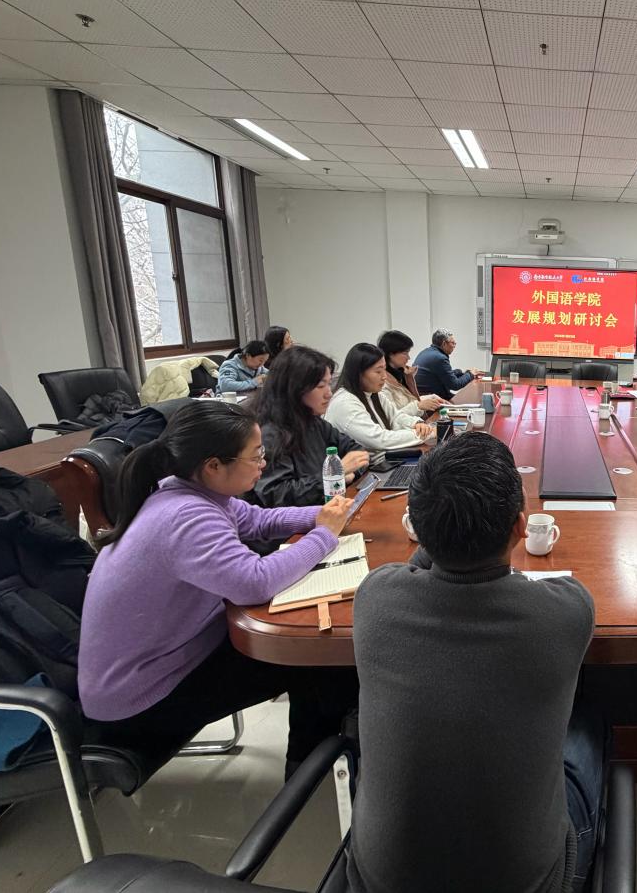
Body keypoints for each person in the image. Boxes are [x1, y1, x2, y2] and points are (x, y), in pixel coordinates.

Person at [348, 433, 604, 893]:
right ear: (521, 527)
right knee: (589, 725)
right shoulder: (567, 611)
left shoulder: (374, 597)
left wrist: (442, 532)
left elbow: (415, 568)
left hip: (377, 882)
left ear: (417, 526)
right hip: (533, 882)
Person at [78, 400, 358, 772]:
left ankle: (312, 764)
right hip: (140, 699)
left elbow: (258, 521)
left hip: (171, 658)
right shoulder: (185, 516)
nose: (262, 463)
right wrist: (324, 535)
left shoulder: (191, 491)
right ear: (213, 465)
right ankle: (308, 774)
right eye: (256, 456)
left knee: (313, 656)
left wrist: (328, 515)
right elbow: (255, 582)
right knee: (315, 658)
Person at [251, 345, 369, 507]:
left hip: (327, 510)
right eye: (320, 386)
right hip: (297, 522)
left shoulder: (313, 422)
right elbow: (277, 495)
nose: (329, 393)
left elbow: (357, 452)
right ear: (294, 388)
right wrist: (335, 475)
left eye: (329, 384)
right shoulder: (270, 434)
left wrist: (348, 474)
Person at [326, 343, 434, 465]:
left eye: (384, 369)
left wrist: (416, 424)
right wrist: (424, 434)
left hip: (384, 461)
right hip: (364, 472)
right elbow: (380, 439)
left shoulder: (372, 393)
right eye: (378, 371)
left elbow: (396, 417)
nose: (384, 377)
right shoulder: (345, 403)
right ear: (358, 373)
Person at [376, 329, 448, 416]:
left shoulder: (399, 374)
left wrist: (431, 398)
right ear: (391, 354)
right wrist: (418, 406)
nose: (408, 357)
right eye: (405, 353)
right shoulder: (382, 383)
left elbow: (408, 401)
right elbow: (392, 417)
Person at [413, 328, 481, 400]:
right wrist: (471, 374)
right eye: (453, 343)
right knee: (472, 399)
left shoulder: (426, 352)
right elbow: (455, 385)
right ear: (444, 343)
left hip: (425, 396)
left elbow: (443, 375)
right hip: (433, 399)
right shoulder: (440, 358)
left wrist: (461, 372)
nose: (454, 346)